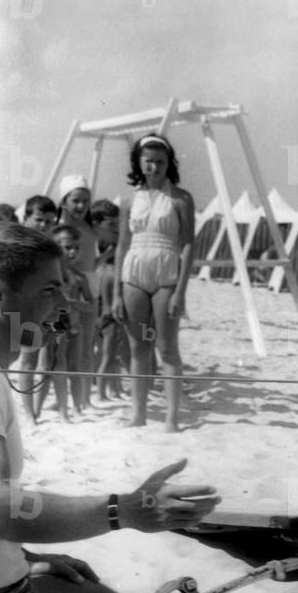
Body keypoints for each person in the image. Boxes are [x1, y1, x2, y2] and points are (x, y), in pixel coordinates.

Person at [0, 222, 220, 593]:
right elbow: (2, 507)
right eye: (50, 289)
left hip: (7, 587)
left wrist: (30, 557)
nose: (65, 304)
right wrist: (127, 511)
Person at [113, 135, 195, 434]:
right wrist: (116, 295)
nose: (154, 166)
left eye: (160, 161)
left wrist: (181, 292)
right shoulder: (127, 200)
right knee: (138, 347)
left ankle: (172, 417)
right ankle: (138, 413)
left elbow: (188, 245)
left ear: (168, 163)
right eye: (148, 160)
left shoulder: (181, 198)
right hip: (133, 271)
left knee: (167, 347)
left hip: (166, 272)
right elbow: (122, 245)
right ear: (139, 162)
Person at [35, 226, 95, 422]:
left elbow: (91, 306)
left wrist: (72, 303)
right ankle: (45, 411)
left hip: (73, 329)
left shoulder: (79, 277)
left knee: (74, 368)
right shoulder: (48, 277)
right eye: (67, 247)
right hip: (51, 328)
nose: (73, 252)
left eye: (76, 248)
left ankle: (76, 407)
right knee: (49, 368)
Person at [14, 197, 60, 427]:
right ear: (26, 219)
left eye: (49, 222)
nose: (43, 226)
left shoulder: (51, 249)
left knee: (48, 360)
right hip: (27, 310)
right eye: (39, 220)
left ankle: (38, 409)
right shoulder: (18, 247)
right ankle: (29, 413)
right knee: (28, 359)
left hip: (48, 310)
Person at [56, 176, 98, 410]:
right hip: (64, 285)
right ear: (64, 201)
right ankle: (60, 398)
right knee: (58, 347)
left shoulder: (91, 227)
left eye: (85, 201)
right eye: (75, 201)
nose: (81, 206)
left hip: (88, 284)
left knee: (86, 345)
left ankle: (85, 398)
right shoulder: (56, 229)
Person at [89, 200, 129, 402]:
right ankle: (102, 393)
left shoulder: (103, 270)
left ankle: (112, 389)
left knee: (107, 357)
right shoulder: (110, 272)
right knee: (109, 358)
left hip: (102, 316)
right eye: (111, 225)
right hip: (109, 318)